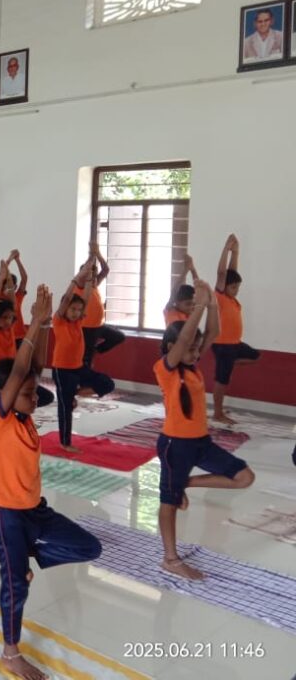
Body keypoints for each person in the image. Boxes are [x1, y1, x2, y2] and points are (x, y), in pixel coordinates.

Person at [0, 287, 101, 680]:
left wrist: (45, 325)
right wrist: (34, 321)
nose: (35, 398)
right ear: (5, 394)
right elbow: (20, 371)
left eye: (35, 393)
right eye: (28, 394)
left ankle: (28, 555)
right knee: (15, 585)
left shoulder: (24, 417)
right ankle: (10, 654)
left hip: (35, 511)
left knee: (89, 546)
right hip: (7, 515)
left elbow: (31, 368)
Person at [155, 280, 254, 581]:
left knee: (244, 477)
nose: (197, 353)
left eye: (198, 349)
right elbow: (186, 338)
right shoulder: (166, 368)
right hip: (175, 445)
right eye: (191, 348)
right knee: (168, 503)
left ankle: (186, 483)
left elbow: (212, 332)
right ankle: (170, 559)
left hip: (201, 443)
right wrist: (198, 305)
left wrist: (211, 303)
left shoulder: (193, 367)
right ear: (172, 348)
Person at [51, 265, 115, 453]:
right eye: (73, 309)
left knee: (107, 384)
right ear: (65, 309)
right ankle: (65, 442)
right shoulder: (59, 321)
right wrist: (76, 279)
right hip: (62, 370)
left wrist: (89, 276)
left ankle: (75, 393)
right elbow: (67, 298)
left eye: (79, 310)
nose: (76, 312)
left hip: (78, 368)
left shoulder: (79, 321)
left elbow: (86, 297)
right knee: (65, 408)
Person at [0, 260, 56, 408]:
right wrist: (0, 281)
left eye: (10, 318)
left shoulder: (10, 328)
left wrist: (9, 279)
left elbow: (13, 301)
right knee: (3, 408)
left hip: (13, 376)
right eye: (4, 318)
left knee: (46, 397)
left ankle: (18, 406)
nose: (8, 321)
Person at [211, 234, 259, 425]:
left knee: (255, 356)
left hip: (234, 344)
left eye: (237, 287)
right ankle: (217, 413)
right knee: (222, 380)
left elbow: (232, 272)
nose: (236, 290)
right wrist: (226, 248)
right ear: (224, 287)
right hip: (223, 345)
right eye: (233, 287)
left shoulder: (231, 298)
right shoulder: (220, 297)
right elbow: (222, 273)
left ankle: (230, 363)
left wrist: (236, 252)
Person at [76, 241, 124, 367]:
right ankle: (84, 375)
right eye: (90, 274)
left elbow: (105, 270)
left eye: (94, 274)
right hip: (86, 328)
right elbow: (87, 270)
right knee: (86, 359)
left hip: (98, 326)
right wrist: (92, 255)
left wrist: (98, 254)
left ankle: (95, 351)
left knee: (119, 337)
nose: (93, 276)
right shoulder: (80, 286)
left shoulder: (94, 284)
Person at [164, 254, 199, 326]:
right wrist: (186, 270)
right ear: (177, 302)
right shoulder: (171, 311)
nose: (191, 307)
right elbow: (174, 292)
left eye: (193, 304)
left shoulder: (190, 314)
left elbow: (199, 290)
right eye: (188, 304)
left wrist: (193, 269)